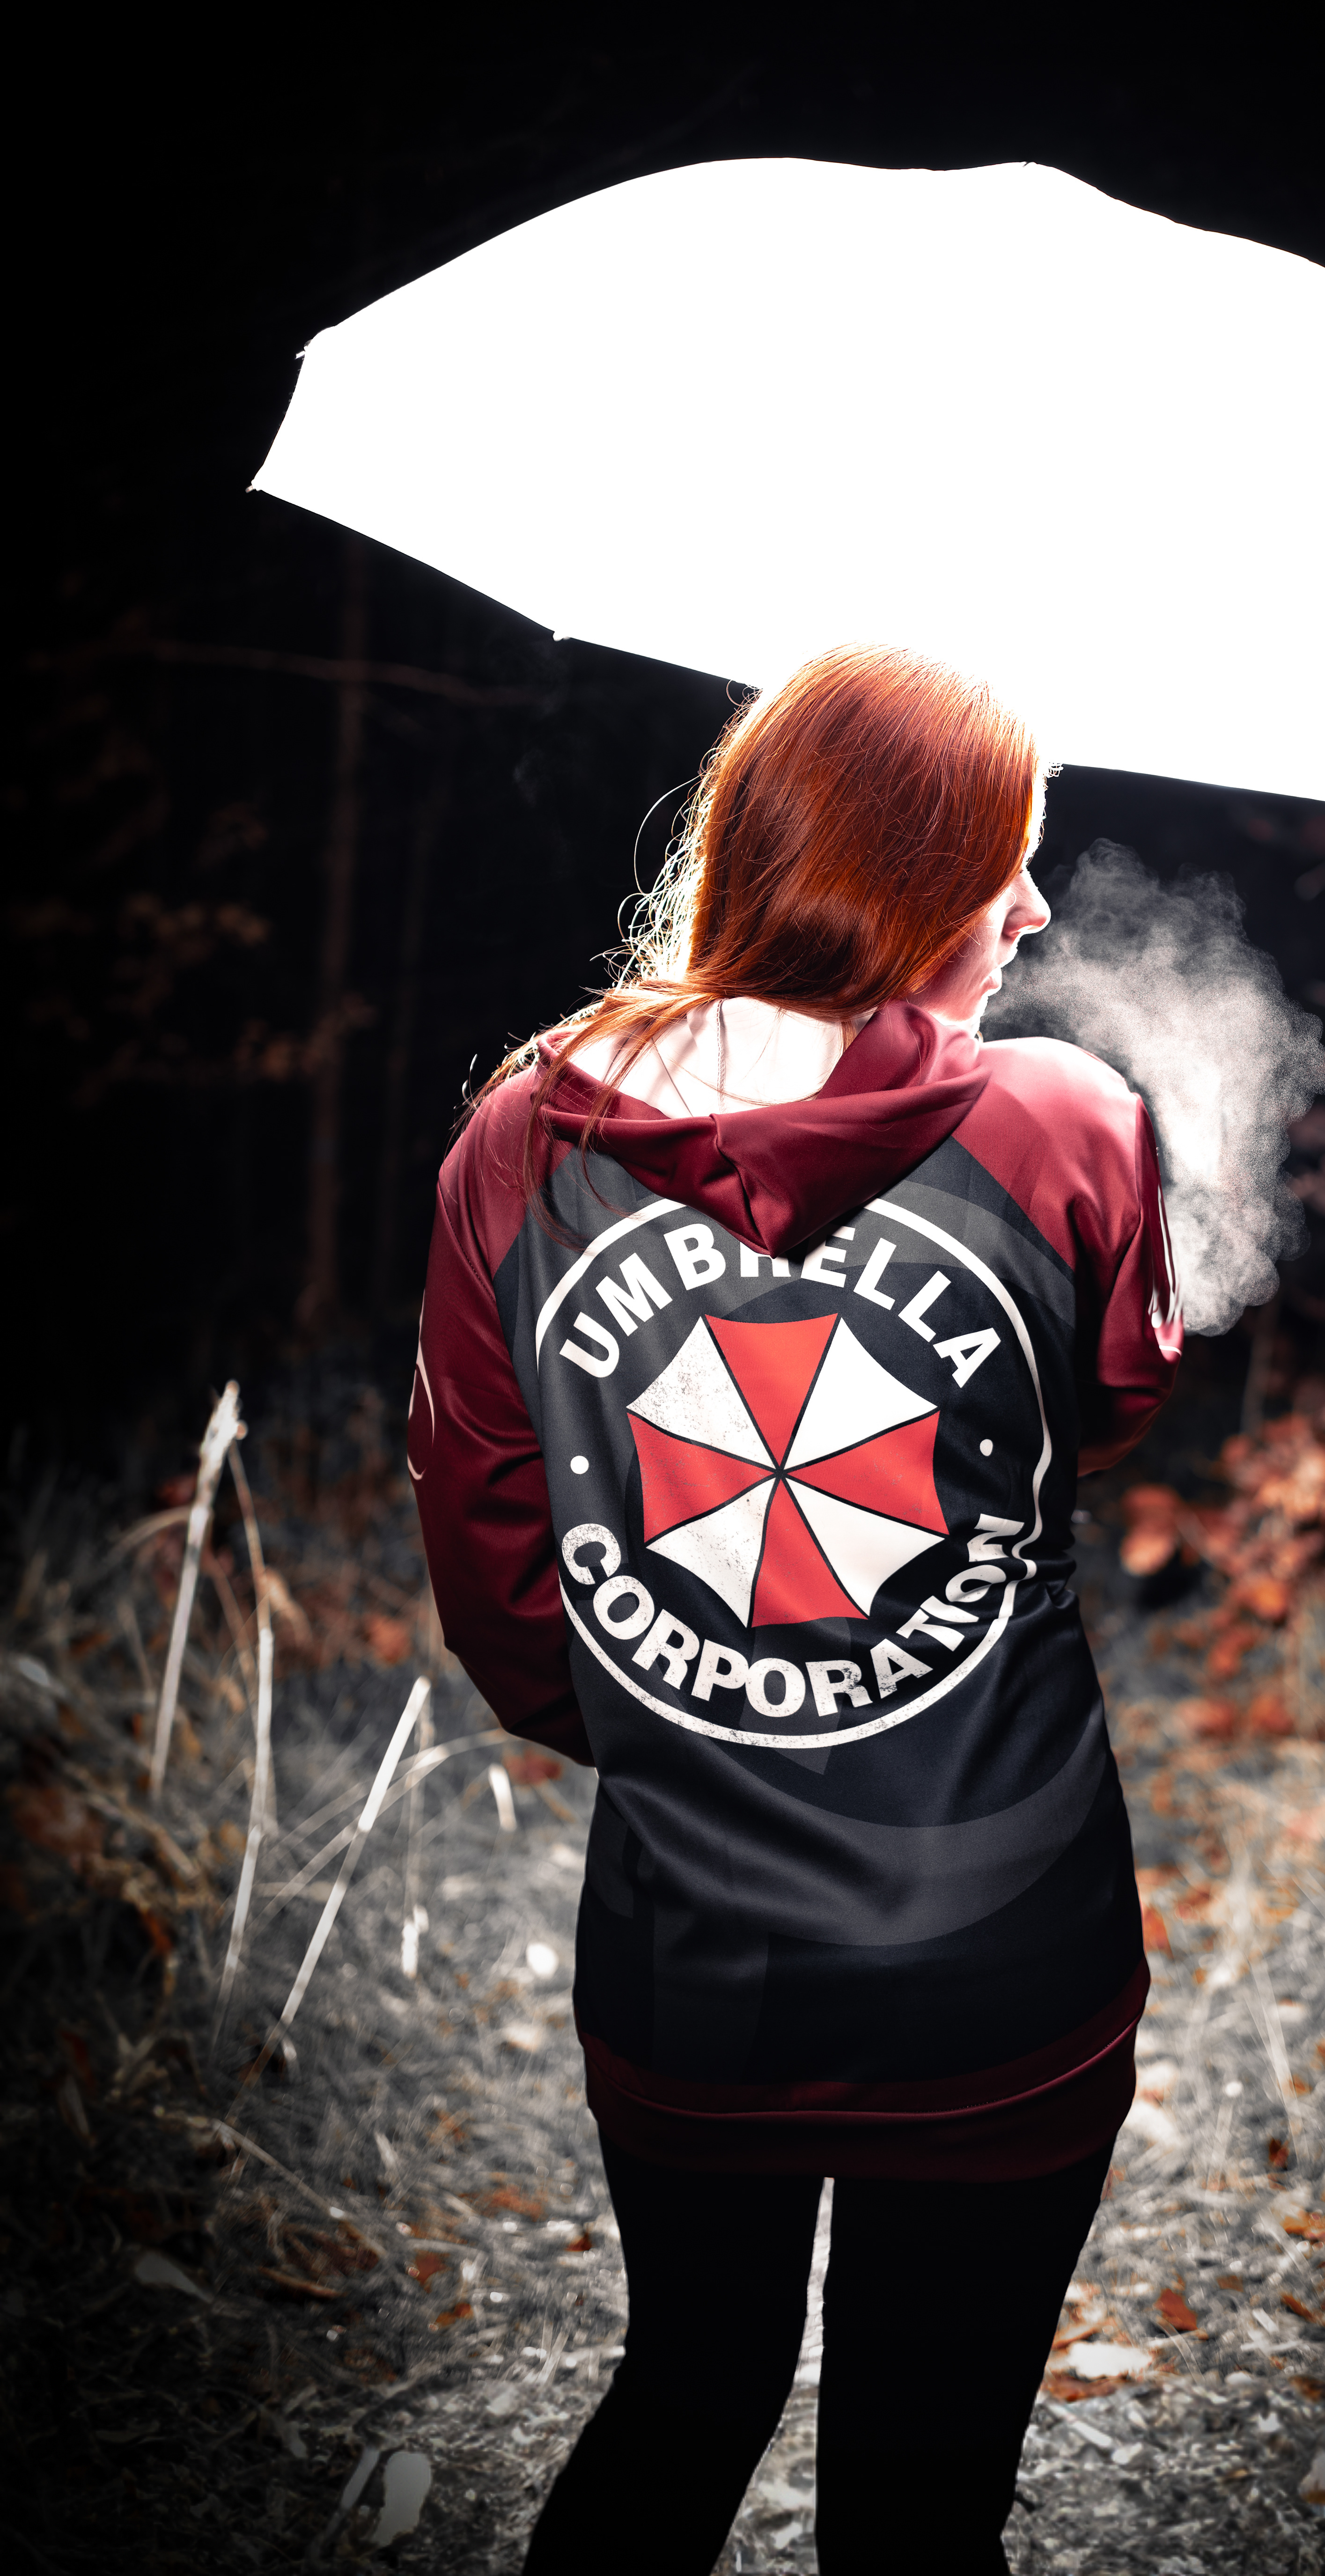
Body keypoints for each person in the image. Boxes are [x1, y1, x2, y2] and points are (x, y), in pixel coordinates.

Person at [410, 646, 1182, 2573]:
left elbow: (506, 1595)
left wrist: (695, 1714)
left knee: (683, 2392)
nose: (1036, 908)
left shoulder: (520, 1146)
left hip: (692, 1950)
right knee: (925, 2503)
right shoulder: (1070, 1125)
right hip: (1007, 1947)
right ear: (906, 882)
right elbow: (1108, 1406)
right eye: (1006, 861)